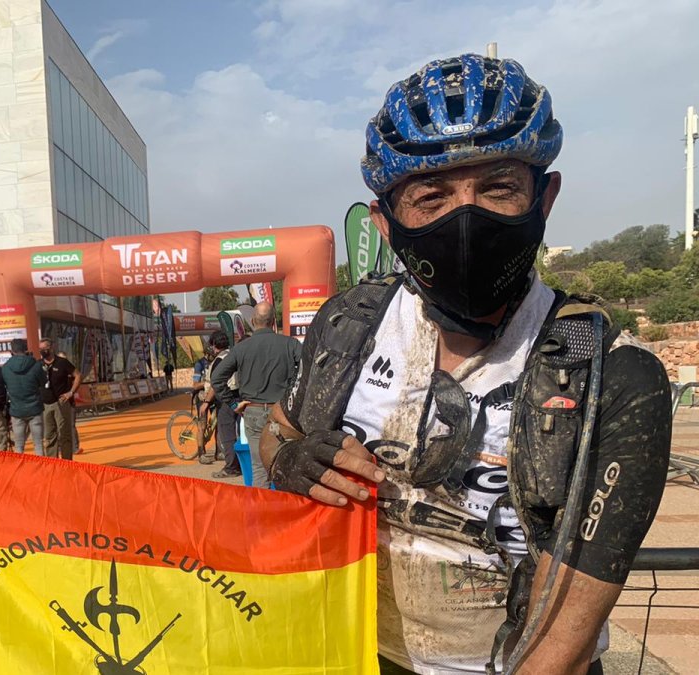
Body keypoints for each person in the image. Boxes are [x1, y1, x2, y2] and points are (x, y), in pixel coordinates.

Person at [261, 55, 671, 674]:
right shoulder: (348, 325)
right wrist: (291, 459)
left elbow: (559, 647)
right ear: (386, 222)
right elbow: (276, 433)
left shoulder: (611, 374)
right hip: (354, 650)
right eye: (431, 196)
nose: (465, 217)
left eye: (498, 188)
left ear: (545, 197)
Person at [211, 302, 302, 487]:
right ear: (274, 321)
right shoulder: (290, 344)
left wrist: (234, 404)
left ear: (253, 321)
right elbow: (309, 371)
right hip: (283, 413)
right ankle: (288, 510)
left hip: (253, 412)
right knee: (287, 465)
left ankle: (263, 512)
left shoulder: (241, 348)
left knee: (259, 468)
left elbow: (217, 378)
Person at [203, 331, 240, 478]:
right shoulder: (234, 355)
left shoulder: (219, 360)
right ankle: (239, 463)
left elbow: (215, 384)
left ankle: (231, 467)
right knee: (239, 433)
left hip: (225, 400)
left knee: (228, 434)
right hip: (238, 397)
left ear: (214, 345)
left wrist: (206, 402)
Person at [2, 339, 46, 455]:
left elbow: (5, 385)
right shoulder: (36, 365)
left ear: (11, 351)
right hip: (35, 408)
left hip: (17, 410)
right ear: (26, 349)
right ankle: (41, 470)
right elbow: (44, 381)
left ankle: (20, 471)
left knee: (19, 445)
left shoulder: (6, 368)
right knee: (38, 443)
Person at [40, 339, 80, 460]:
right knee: (49, 435)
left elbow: (77, 374)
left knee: (64, 434)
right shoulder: (38, 364)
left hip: (61, 403)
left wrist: (71, 392)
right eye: (40, 349)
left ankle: (66, 461)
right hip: (45, 405)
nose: (42, 351)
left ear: (51, 348)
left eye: (44, 348)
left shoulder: (62, 362)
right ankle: (53, 462)